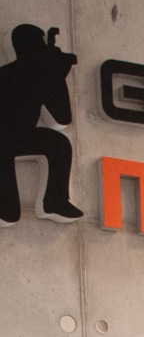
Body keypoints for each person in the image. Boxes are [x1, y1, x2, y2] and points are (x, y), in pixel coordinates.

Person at [0, 23, 84, 225]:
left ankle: (54, 201)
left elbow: (62, 118)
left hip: (20, 136)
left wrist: (57, 76)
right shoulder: (7, 74)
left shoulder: (41, 76)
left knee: (59, 143)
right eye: (40, 45)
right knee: (8, 212)